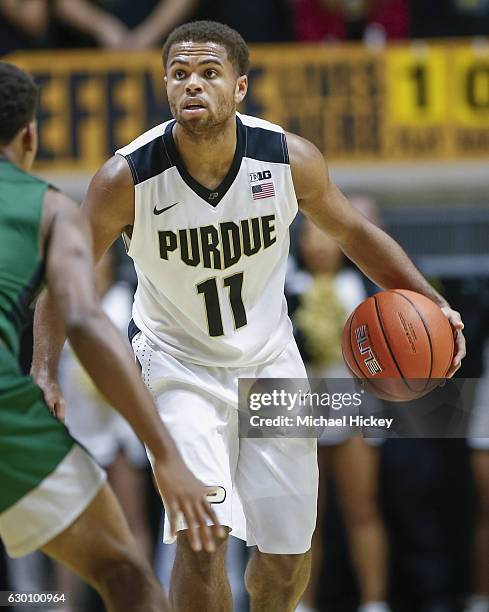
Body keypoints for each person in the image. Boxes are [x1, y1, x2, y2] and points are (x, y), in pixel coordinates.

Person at [32, 20, 466, 612]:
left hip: (270, 364)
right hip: (177, 367)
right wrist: (43, 370)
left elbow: (356, 234)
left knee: (286, 560)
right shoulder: (126, 178)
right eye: (180, 74)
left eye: (209, 74)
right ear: (165, 85)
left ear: (239, 87)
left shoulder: (287, 159)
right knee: (203, 540)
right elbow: (65, 278)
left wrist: (432, 301)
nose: (193, 85)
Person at [0, 61, 223, 612]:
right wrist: (166, 453)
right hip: (8, 414)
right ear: (29, 135)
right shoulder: (47, 208)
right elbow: (84, 320)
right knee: (124, 572)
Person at [290, 215, 391, 612]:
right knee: (304, 519)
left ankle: (374, 602)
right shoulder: (286, 288)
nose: (318, 246)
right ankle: (302, 604)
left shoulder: (363, 289)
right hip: (298, 414)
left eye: (327, 237)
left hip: (353, 410)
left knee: (361, 509)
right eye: (311, 237)